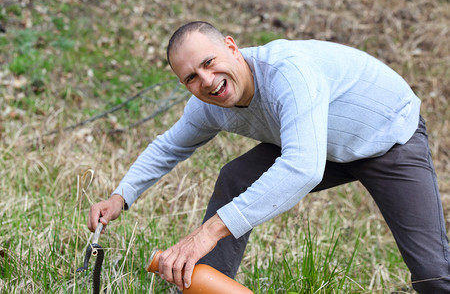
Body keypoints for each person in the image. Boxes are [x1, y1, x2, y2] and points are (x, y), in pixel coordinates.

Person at [88, 21, 450, 293]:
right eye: (191, 78)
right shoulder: (207, 104)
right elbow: (170, 146)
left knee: (433, 273)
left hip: (388, 139)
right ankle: (206, 286)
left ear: (232, 47)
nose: (207, 80)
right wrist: (121, 195)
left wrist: (208, 232)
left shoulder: (288, 73)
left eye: (209, 62)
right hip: (316, 143)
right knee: (236, 178)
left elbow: (304, 169)